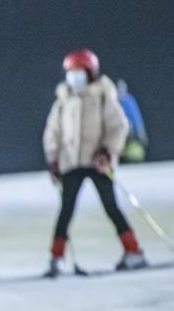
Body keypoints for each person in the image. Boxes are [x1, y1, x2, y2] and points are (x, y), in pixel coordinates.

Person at [42, 49, 144, 275]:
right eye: (71, 72)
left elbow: (118, 126)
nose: (75, 77)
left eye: (80, 72)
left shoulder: (102, 96)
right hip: (71, 163)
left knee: (111, 207)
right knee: (66, 211)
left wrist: (108, 152)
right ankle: (56, 257)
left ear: (90, 73)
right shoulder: (63, 101)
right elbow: (53, 133)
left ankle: (133, 251)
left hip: (98, 162)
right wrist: (53, 161)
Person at [116, 79, 148, 163]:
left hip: (129, 130)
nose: (120, 93)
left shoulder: (129, 100)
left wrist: (141, 132)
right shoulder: (114, 101)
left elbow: (136, 117)